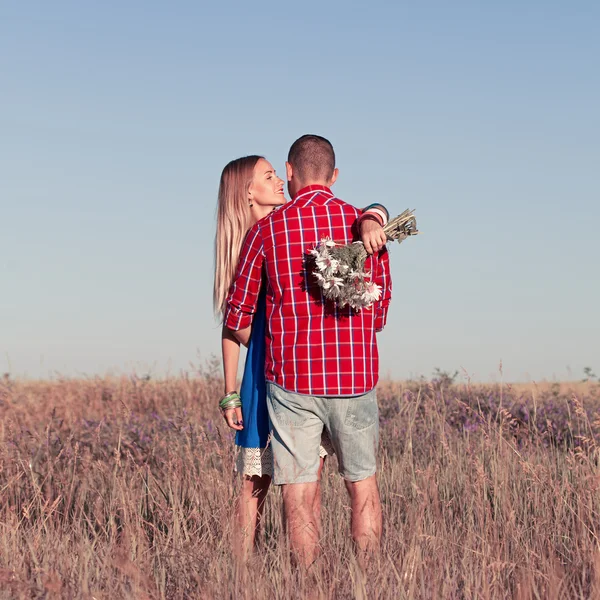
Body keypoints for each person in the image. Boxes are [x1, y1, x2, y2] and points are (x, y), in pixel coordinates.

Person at [223, 135, 391, 567]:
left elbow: (238, 312)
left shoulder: (265, 231)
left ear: (291, 171)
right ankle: (368, 582)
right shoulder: (364, 227)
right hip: (354, 379)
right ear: (334, 176)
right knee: (362, 485)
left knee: (299, 489)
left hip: (291, 382)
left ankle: (307, 585)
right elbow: (379, 311)